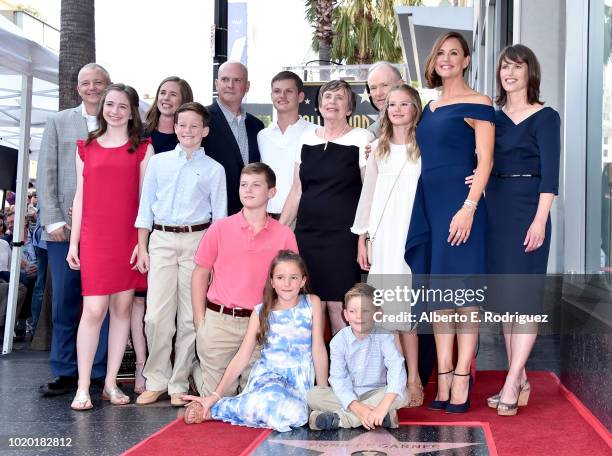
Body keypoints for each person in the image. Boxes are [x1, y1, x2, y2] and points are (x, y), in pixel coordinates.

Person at [404, 31, 495, 413]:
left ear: (467, 60)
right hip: (431, 205)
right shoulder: (431, 106)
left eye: (454, 53)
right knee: (441, 298)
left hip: (462, 208)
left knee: (465, 298)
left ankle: (461, 376)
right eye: (440, 53)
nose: (446, 59)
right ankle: (442, 375)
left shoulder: (479, 103)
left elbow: (486, 160)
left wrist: (469, 207)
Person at [67, 83, 153, 410]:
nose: (115, 111)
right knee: (93, 311)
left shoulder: (143, 150)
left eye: (122, 106)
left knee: (120, 311)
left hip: (128, 241)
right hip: (94, 239)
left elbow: (145, 204)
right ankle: (82, 386)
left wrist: (141, 244)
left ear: (132, 112)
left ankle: (111, 384)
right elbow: (79, 196)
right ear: (102, 107)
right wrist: (74, 243)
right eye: (110, 104)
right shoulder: (85, 147)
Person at [134, 102, 227, 406]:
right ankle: (156, 379)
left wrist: (214, 259)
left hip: (197, 242)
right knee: (156, 316)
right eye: (182, 125)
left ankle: (178, 383)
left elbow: (220, 219)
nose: (187, 131)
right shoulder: (158, 163)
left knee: (189, 317)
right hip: (161, 240)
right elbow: (145, 207)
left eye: (194, 126)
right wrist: (143, 246)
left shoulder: (215, 170)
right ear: (174, 127)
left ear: (205, 131)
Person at [484, 45, 560, 416]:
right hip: (495, 208)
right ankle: (521, 378)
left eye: (517, 66)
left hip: (530, 206)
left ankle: (512, 380)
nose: (509, 72)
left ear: (531, 72)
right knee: (505, 302)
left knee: (525, 299)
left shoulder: (546, 117)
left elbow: (551, 173)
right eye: (504, 67)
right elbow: (485, 160)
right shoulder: (494, 118)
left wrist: (540, 218)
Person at [182, 250, 328, 432]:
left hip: (299, 380)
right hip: (269, 378)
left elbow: (318, 348)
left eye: (293, 277)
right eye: (280, 278)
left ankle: (240, 407)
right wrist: (215, 395)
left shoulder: (312, 303)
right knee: (271, 401)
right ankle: (215, 408)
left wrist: (321, 392)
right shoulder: (261, 312)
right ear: (272, 282)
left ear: (303, 281)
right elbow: (242, 356)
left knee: (296, 414)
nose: (287, 283)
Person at [191, 162, 299, 399]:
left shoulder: (284, 235)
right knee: (218, 402)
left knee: (251, 402)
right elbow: (200, 273)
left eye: (256, 185)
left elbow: (291, 284)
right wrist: (201, 323)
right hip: (220, 322)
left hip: (261, 323)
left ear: (271, 192)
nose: (248, 190)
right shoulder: (220, 228)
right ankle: (198, 374)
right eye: (243, 185)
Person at [36, 63, 112, 397]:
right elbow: (47, 171)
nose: (93, 88)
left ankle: (97, 370)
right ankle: (65, 370)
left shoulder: (119, 122)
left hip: (105, 233)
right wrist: (53, 220)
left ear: (108, 86)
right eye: (86, 83)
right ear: (77, 88)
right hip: (64, 232)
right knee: (65, 302)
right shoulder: (58, 121)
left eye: (99, 83)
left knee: (103, 304)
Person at [281, 79, 374, 336]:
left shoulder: (362, 139)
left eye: (339, 98)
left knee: (338, 308)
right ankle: (315, 374)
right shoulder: (305, 139)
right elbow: (296, 190)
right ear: (320, 106)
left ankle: (341, 374)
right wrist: (278, 231)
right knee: (309, 308)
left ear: (349, 108)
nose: (332, 102)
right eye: (328, 97)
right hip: (308, 236)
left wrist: (363, 239)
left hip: (344, 238)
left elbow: (369, 194)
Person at [352, 84, 424, 407]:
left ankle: (414, 378)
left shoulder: (424, 148)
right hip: (383, 239)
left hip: (412, 237)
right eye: (391, 105)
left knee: (406, 312)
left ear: (415, 109)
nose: (396, 110)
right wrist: (362, 238)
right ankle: (395, 382)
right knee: (386, 313)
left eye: (403, 104)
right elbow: (367, 198)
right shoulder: (377, 148)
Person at [307, 283, 408, 430]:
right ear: (345, 315)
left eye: (365, 311)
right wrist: (358, 407)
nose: (359, 316)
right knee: (313, 395)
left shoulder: (384, 336)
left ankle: (341, 419)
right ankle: (381, 416)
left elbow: (396, 368)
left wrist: (383, 406)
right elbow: (338, 379)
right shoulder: (339, 341)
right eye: (353, 311)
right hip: (348, 394)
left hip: (376, 392)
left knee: (404, 394)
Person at [203, 61, 264, 215]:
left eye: (237, 80)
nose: (230, 85)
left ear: (247, 86)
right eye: (225, 79)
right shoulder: (201, 119)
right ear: (216, 84)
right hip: (212, 213)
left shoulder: (257, 126)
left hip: (250, 213)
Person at [258, 71, 317, 218]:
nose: (282, 96)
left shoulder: (316, 133)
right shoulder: (262, 136)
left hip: (304, 217)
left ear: (301, 96)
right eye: (277, 91)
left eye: (289, 91)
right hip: (268, 218)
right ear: (272, 96)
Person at [143, 76, 194, 153]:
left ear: (184, 100)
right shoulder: (140, 132)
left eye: (173, 94)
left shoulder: (191, 138)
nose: (166, 98)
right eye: (163, 93)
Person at [366, 62, 404, 136]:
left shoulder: (421, 126)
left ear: (400, 85)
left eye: (385, 85)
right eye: (373, 88)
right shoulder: (370, 134)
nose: (378, 93)